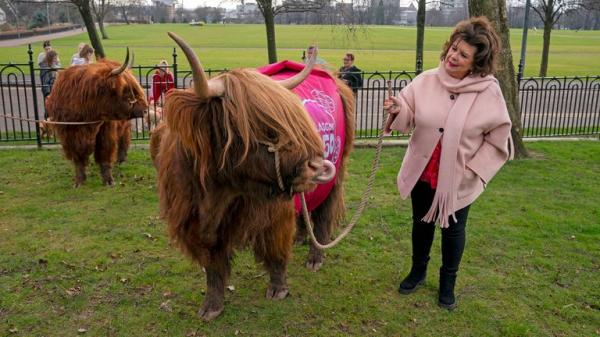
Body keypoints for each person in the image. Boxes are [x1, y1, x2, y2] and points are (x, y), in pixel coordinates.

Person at [383, 16, 512, 310]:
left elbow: (498, 140)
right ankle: (418, 272)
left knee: (453, 230)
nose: (453, 56)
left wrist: (474, 172)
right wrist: (398, 107)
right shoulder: (427, 80)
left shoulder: (489, 92)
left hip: (458, 178)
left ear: (477, 63)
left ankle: (447, 283)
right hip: (423, 171)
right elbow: (409, 111)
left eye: (463, 55)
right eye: (454, 48)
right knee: (421, 223)